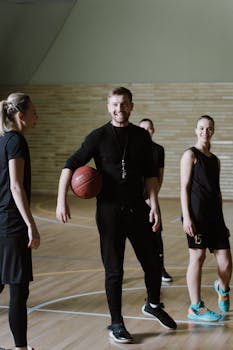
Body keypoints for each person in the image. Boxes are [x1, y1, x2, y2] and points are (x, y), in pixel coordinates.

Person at [56, 87, 177, 344]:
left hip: (138, 208)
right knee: (114, 271)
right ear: (108, 106)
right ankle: (116, 323)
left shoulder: (141, 136)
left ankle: (153, 304)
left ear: (131, 106)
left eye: (123, 104)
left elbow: (150, 176)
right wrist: (61, 200)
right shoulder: (98, 136)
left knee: (153, 263)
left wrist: (154, 204)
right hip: (109, 211)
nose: (119, 109)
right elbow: (70, 165)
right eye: (114, 104)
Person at [180, 114, 232, 322]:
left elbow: (217, 192)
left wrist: (222, 220)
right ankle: (195, 307)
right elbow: (183, 188)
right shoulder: (190, 155)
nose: (205, 132)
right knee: (197, 257)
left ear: (213, 131)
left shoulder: (215, 160)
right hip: (196, 215)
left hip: (215, 217)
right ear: (196, 130)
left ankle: (222, 286)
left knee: (226, 263)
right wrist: (187, 218)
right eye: (201, 128)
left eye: (209, 128)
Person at [0, 93, 40, 350]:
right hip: (12, 224)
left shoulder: (2, 140)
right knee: (18, 290)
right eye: (34, 112)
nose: (38, 117)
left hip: (0, 221)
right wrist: (30, 224)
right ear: (21, 116)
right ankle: (21, 348)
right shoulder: (16, 142)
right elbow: (16, 186)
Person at [139, 118, 173, 283]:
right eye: (143, 129)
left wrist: (150, 198)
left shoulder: (158, 150)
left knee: (156, 233)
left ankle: (161, 269)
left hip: (152, 199)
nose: (146, 131)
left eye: (149, 128)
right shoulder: (132, 149)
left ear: (153, 130)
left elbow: (159, 178)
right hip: (133, 199)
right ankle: (119, 270)